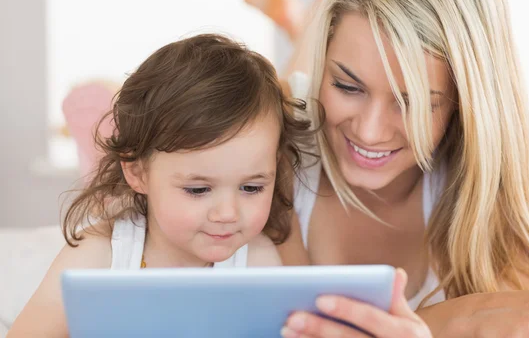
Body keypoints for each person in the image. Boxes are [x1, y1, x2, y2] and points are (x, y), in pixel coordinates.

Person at [275, 0, 529, 337]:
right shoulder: (270, 148)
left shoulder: (483, 212)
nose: (369, 130)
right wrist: (452, 321)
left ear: (463, 102)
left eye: (410, 103)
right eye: (347, 86)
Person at [8, 33, 316, 337]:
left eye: (251, 188)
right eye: (198, 190)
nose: (228, 213)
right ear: (138, 172)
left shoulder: (257, 263)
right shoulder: (98, 258)